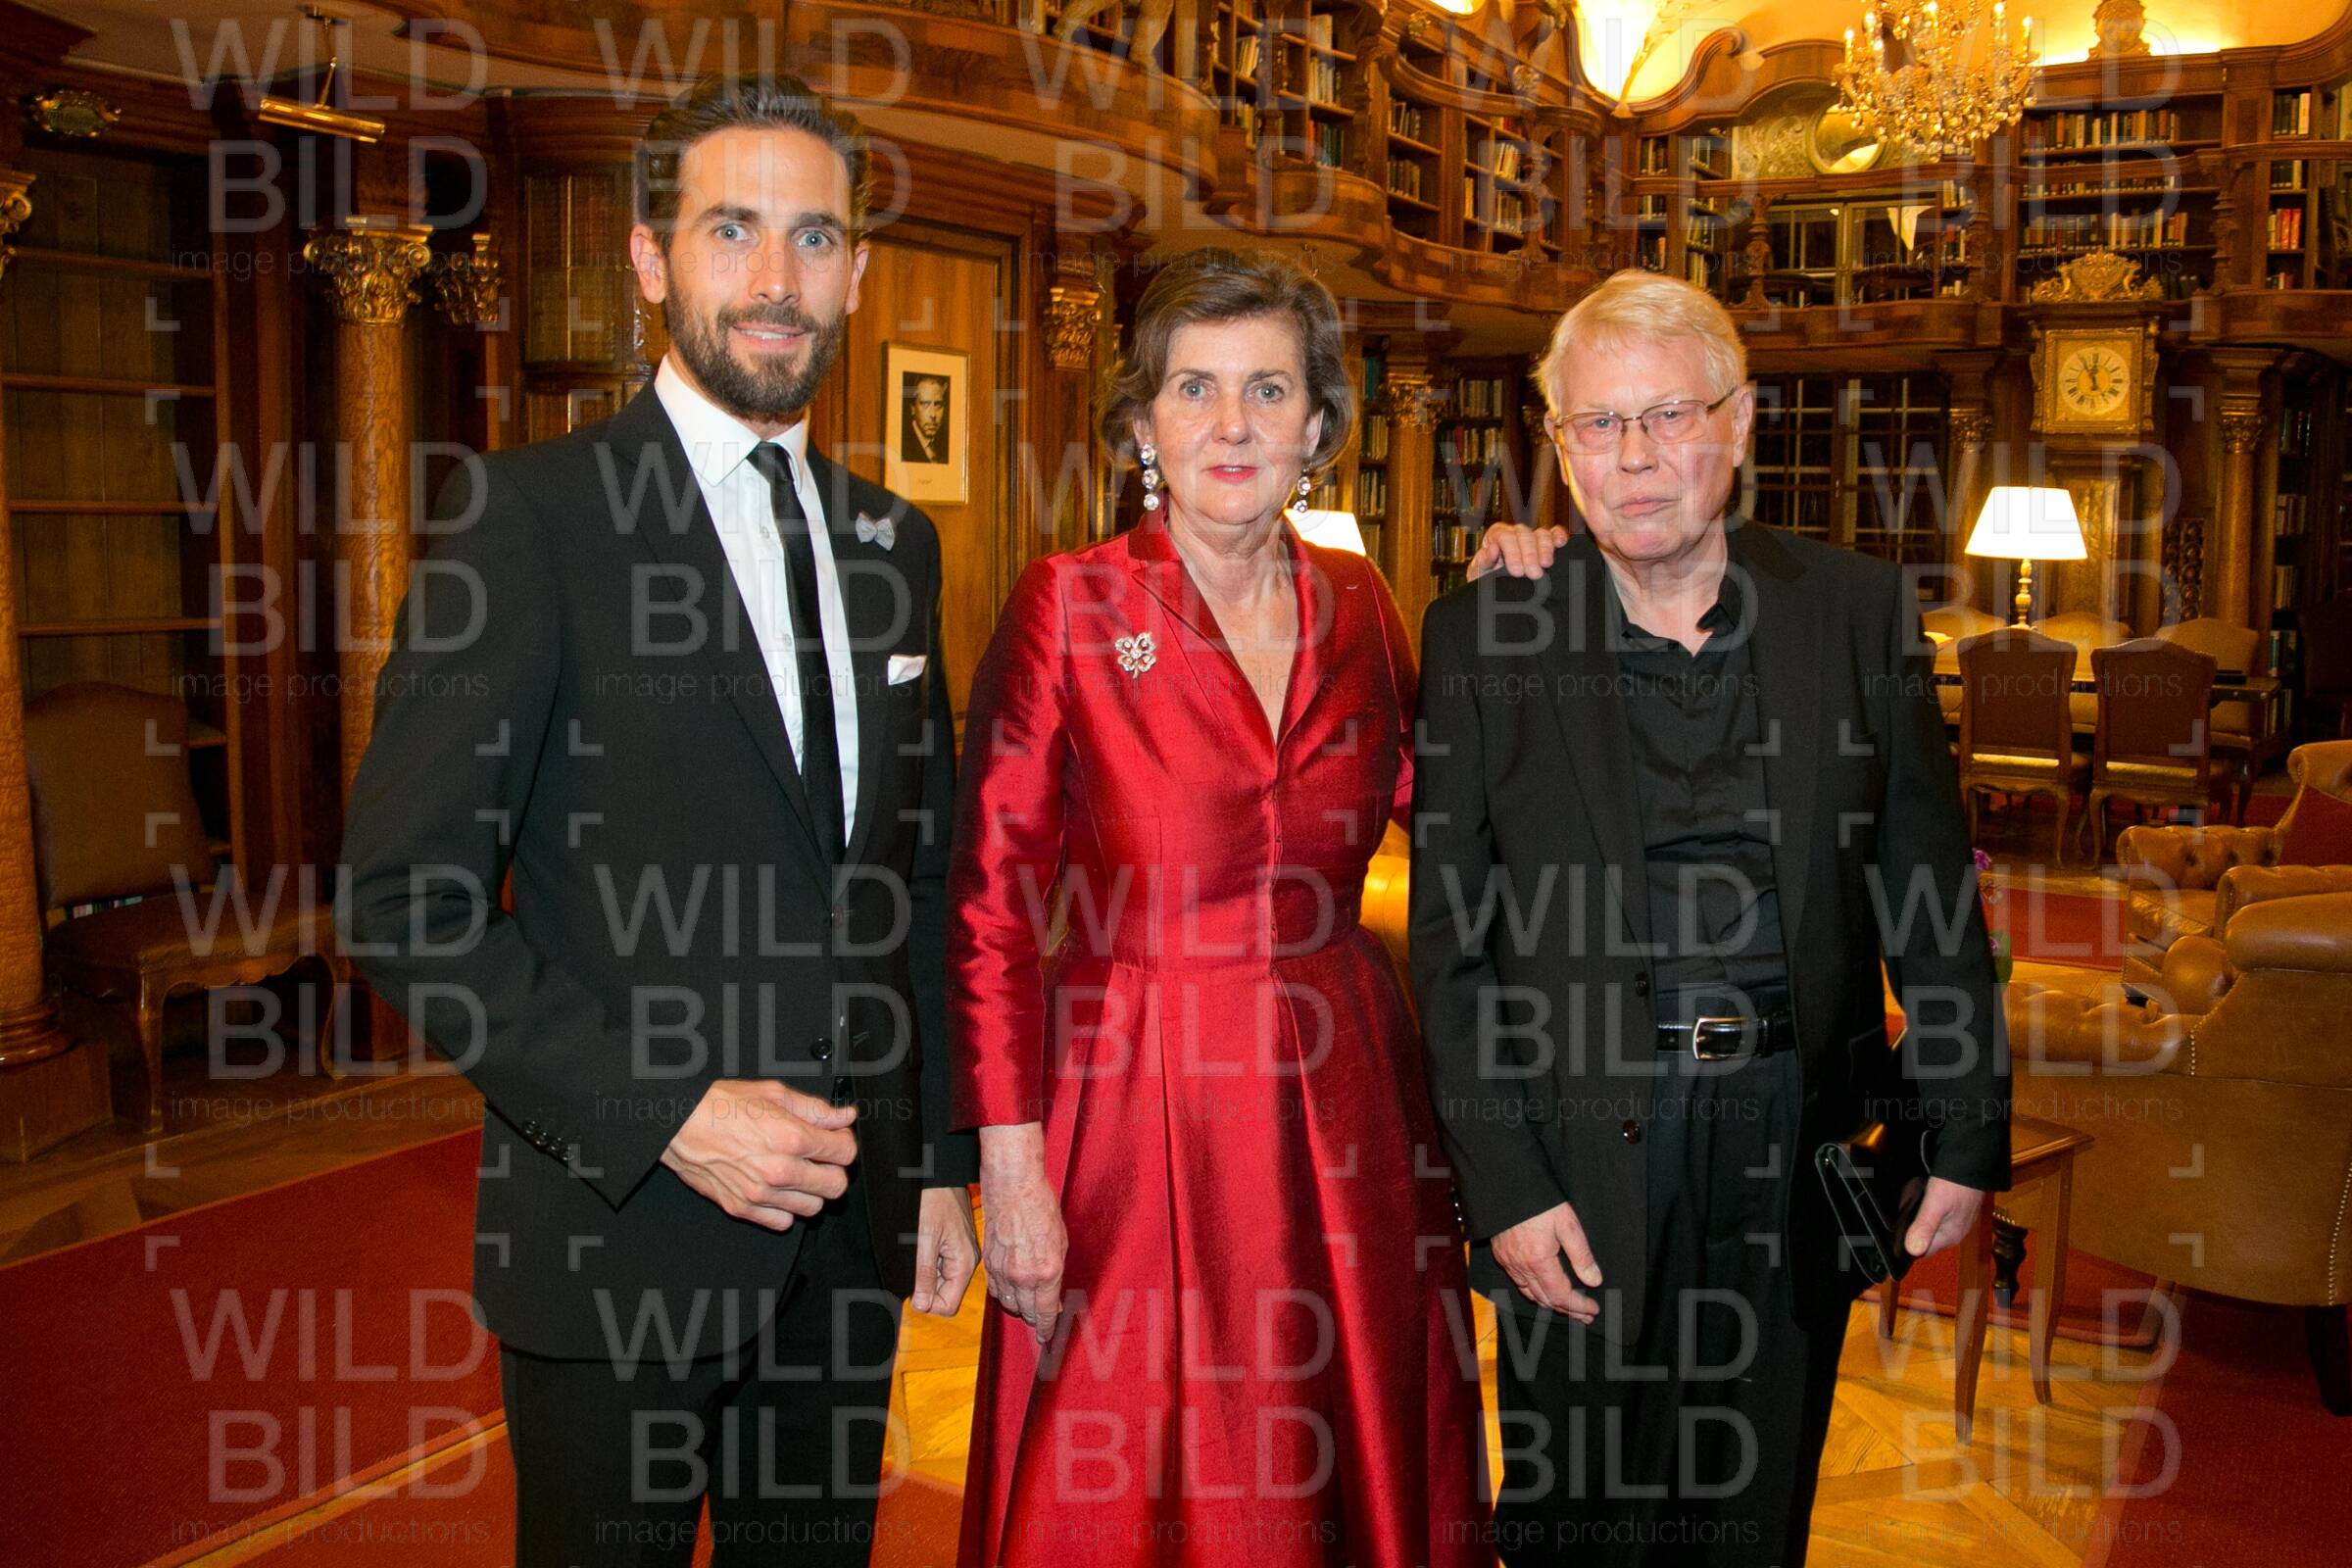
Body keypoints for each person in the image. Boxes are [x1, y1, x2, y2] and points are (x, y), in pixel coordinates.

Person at [341, 74, 979, 1567]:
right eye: (732, 230)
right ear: (650, 258)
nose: (777, 280)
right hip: (617, 1237)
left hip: (846, 1242)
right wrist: (674, 1115)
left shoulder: (895, 544)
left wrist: (940, 1160)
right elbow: (405, 903)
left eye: (815, 238)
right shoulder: (527, 520)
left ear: (856, 274)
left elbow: (915, 885)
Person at [1413, 269, 2009, 1566]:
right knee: (1576, 1524)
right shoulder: (1483, 636)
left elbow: (1929, 892)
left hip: (1795, 1142)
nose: (1633, 457)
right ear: (1559, 443)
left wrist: (1966, 1130)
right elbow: (1450, 948)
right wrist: (1503, 1188)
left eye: (1668, 415)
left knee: (1751, 1517)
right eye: (1597, 423)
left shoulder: (1857, 615)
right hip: (1576, 1155)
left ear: (1738, 422)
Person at [947, 247, 1490, 1566]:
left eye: (1268, 390)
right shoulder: (1069, 605)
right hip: (1133, 1104)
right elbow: (990, 911)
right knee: (1133, 1462)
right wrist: (1007, 1166)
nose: (1232, 425)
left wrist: (1535, 608)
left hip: (1347, 1101)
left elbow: (1461, 820)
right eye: (1195, 388)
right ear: (1144, 422)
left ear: (1318, 427)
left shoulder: (1362, 605)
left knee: (1344, 1438)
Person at [902, 372, 950, 464]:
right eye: (925, 404)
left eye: (938, 405)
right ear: (913, 408)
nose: (933, 415)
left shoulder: (948, 446)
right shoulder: (902, 446)